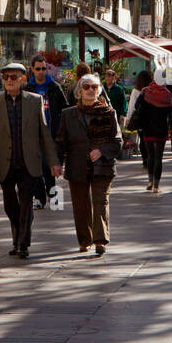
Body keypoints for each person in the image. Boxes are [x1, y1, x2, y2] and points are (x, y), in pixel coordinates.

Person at [0, 62, 62, 259]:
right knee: (10, 205)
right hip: (4, 164)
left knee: (26, 203)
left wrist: (54, 162)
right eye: (6, 77)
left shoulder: (35, 101)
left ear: (23, 79)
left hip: (28, 163)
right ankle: (18, 235)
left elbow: (44, 134)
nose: (9, 80)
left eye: (14, 77)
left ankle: (22, 243)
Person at [55, 74, 121, 255]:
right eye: (86, 87)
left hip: (103, 166)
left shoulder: (109, 113)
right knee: (80, 205)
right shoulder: (68, 115)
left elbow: (117, 141)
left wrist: (101, 151)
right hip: (77, 165)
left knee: (100, 201)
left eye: (94, 87)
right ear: (79, 91)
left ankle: (100, 240)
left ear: (99, 90)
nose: (91, 90)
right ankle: (84, 240)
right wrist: (57, 163)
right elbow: (60, 142)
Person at [26, 54, 68, 209]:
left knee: (49, 166)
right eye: (38, 69)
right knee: (36, 167)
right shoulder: (28, 88)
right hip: (34, 135)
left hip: (51, 134)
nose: (41, 71)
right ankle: (39, 198)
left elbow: (65, 109)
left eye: (44, 68)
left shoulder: (54, 87)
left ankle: (52, 196)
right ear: (32, 69)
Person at [128, 69, 172, 191]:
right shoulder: (167, 94)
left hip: (147, 127)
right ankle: (156, 186)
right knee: (159, 157)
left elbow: (137, 106)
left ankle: (149, 181)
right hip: (161, 128)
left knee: (151, 156)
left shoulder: (145, 91)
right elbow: (170, 110)